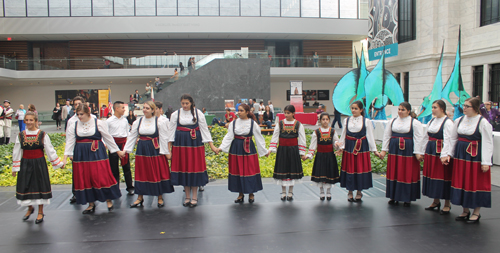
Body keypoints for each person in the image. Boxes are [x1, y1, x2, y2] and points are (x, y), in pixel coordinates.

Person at [441, 97, 493, 223]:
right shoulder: (459, 120)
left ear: (474, 108)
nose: (464, 108)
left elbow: (487, 142)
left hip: (475, 157)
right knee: (463, 181)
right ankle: (465, 211)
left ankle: (476, 212)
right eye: (464, 105)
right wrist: (449, 154)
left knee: (475, 182)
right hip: (461, 157)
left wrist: (486, 162)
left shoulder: (483, 122)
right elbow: (453, 139)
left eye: (467, 106)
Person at [63, 104, 122, 214]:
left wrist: (117, 151)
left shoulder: (98, 123)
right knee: (85, 178)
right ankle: (91, 203)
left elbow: (108, 138)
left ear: (88, 113)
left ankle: (108, 200)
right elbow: (70, 141)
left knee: (101, 176)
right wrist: (65, 157)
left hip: (96, 153)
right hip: (81, 155)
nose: (79, 117)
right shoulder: (74, 125)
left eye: (82, 114)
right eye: (78, 114)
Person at [12, 112, 64, 224]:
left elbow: (50, 150)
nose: (29, 122)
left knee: (40, 186)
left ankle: (40, 211)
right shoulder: (21, 135)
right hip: (25, 163)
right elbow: (17, 152)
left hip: (39, 163)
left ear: (36, 121)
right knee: (25, 185)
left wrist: (58, 163)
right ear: (24, 121)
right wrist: (15, 168)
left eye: (31, 120)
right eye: (27, 120)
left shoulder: (42, 134)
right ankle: (30, 208)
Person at [168, 94, 218, 208]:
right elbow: (170, 132)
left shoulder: (198, 113)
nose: (185, 105)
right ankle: (187, 197)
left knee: (194, 168)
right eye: (183, 103)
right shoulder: (175, 114)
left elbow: (204, 129)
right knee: (184, 169)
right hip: (180, 144)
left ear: (191, 103)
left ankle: (194, 197)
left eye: (187, 103)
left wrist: (212, 146)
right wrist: (169, 150)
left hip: (195, 143)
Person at [120, 101, 174, 208]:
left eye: (147, 108)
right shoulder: (138, 121)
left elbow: (164, 138)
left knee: (156, 172)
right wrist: (125, 150)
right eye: (144, 108)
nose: (144, 110)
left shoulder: (159, 121)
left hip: (155, 149)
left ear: (153, 110)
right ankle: (139, 198)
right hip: (142, 150)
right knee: (142, 172)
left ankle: (159, 197)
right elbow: (132, 136)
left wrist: (166, 153)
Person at [217, 104, 269, 203]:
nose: (239, 112)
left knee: (250, 170)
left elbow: (259, 138)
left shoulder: (253, 123)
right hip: (236, 149)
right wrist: (221, 148)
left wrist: (264, 151)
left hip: (249, 148)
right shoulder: (234, 123)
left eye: (241, 111)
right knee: (238, 170)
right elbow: (229, 136)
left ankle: (251, 193)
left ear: (247, 112)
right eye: (238, 111)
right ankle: (240, 194)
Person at [379, 102, 424, 207]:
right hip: (395, 150)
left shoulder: (415, 123)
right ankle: (393, 196)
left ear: (408, 111)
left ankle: (407, 197)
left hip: (408, 150)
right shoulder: (392, 121)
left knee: (407, 172)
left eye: (402, 110)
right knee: (394, 171)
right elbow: (387, 136)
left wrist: (417, 152)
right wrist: (384, 150)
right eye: (399, 109)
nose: (400, 111)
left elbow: (418, 138)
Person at [337, 101, 379, 202]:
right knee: (350, 168)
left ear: (361, 110)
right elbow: (343, 135)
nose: (353, 110)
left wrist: (374, 150)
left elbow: (370, 136)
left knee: (360, 168)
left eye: (356, 108)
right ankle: (350, 191)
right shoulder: (346, 120)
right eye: (352, 108)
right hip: (349, 147)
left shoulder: (366, 121)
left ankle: (359, 191)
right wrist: (341, 146)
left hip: (361, 148)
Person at [420, 100, 454, 214]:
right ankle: (436, 201)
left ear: (442, 109)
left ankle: (447, 203)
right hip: (431, 151)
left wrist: (445, 154)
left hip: (440, 153)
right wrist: (422, 151)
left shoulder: (447, 122)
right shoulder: (432, 120)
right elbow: (426, 137)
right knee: (433, 176)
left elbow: (449, 139)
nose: (433, 109)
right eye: (432, 107)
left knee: (443, 176)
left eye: (435, 107)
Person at [268, 105, 307, 201]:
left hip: (293, 150)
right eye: (285, 112)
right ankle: (283, 192)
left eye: (288, 113)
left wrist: (302, 153)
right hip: (282, 150)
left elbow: (302, 139)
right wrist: (271, 149)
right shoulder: (280, 124)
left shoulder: (298, 124)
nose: (286, 114)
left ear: (293, 113)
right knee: (283, 170)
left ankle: (290, 192)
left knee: (292, 171)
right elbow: (275, 136)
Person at [66, 96, 96, 204]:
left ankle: (92, 193)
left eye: (79, 103)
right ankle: (76, 193)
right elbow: (69, 138)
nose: (77, 106)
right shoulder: (71, 120)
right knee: (77, 173)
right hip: (77, 150)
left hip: (90, 150)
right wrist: (70, 153)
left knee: (91, 172)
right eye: (75, 104)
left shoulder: (93, 117)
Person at [305, 112, 340, 201]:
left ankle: (328, 191)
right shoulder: (316, 132)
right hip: (320, 156)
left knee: (329, 174)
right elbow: (313, 145)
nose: (325, 121)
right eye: (323, 119)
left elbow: (336, 143)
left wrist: (337, 145)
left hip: (330, 156)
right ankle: (321, 191)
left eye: (326, 119)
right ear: (320, 121)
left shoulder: (333, 131)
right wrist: (309, 155)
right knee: (320, 174)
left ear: (329, 120)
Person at [107, 101, 135, 196]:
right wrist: (112, 147)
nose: (124, 110)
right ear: (117, 108)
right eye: (123, 108)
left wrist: (127, 146)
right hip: (113, 145)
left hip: (123, 145)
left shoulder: (125, 120)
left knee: (126, 167)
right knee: (114, 168)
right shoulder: (109, 121)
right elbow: (107, 135)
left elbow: (127, 132)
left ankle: (130, 187)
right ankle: (115, 188)